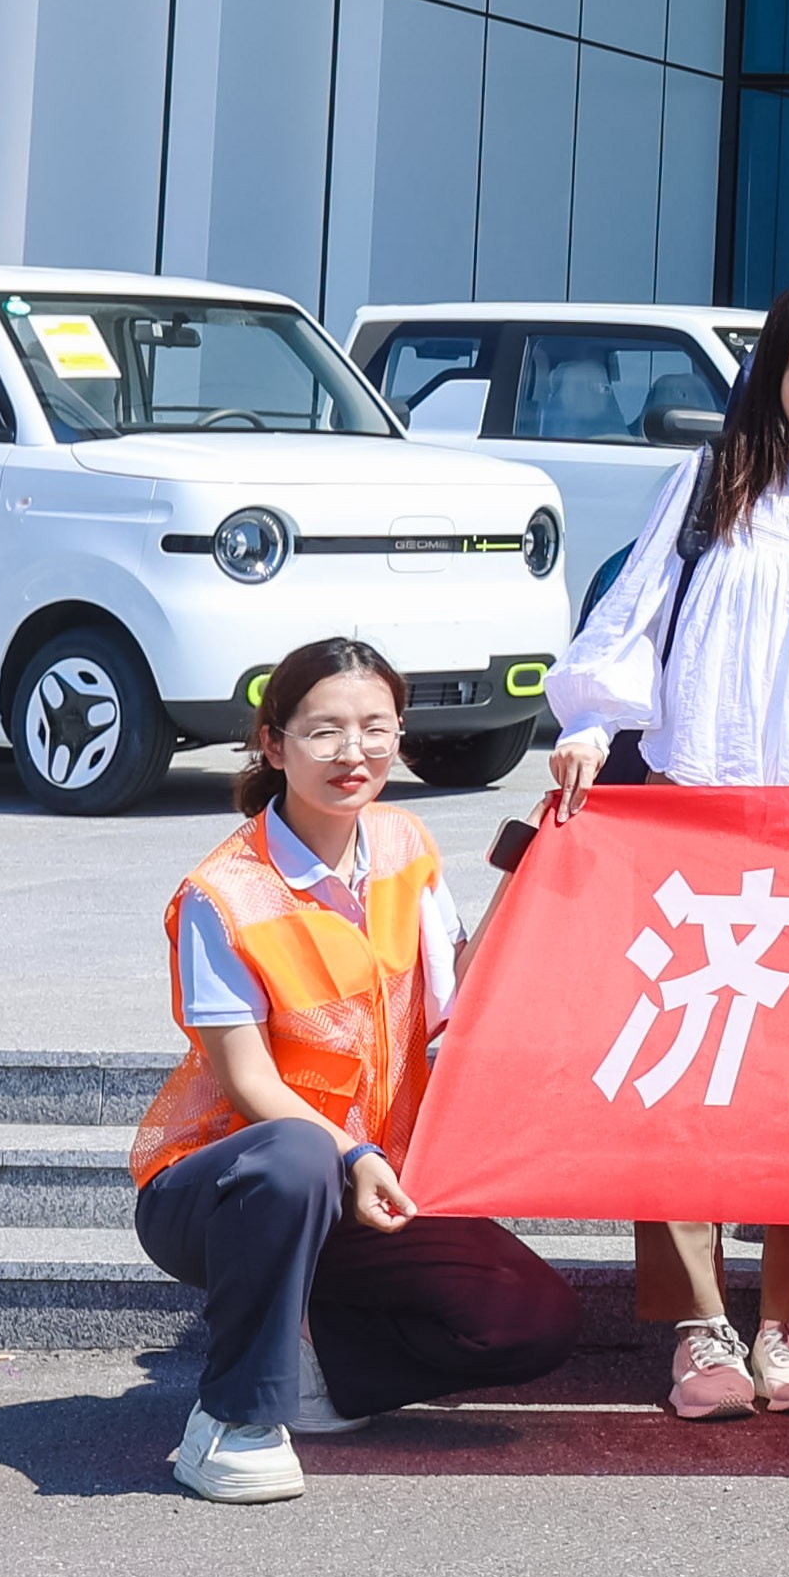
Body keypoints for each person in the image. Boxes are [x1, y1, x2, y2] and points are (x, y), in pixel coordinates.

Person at [543, 270, 789, 1418]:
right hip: (702, 822)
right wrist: (586, 730)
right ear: (771, 371)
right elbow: (632, 619)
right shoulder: (713, 480)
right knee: (686, 1070)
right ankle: (698, 1328)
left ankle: (785, 1323)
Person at [131, 640, 583, 1503]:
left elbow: (461, 996)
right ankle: (230, 1416)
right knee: (297, 1151)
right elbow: (250, 1085)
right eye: (325, 730)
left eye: (377, 727)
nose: (354, 752)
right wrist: (354, 1153)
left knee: (533, 1318)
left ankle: (311, 1362)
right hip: (223, 1186)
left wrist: (532, 864)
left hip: (361, 1184)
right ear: (273, 744)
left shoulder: (404, 843)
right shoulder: (222, 892)